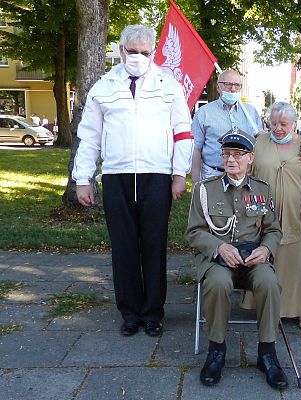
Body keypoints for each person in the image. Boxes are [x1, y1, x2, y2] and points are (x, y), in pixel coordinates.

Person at [73, 25, 193, 337]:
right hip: (116, 176)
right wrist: (83, 179)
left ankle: (153, 313)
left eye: (145, 52)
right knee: (123, 247)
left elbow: (183, 132)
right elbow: (89, 137)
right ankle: (129, 312)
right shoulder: (104, 87)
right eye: (133, 51)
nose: (138, 57)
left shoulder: (169, 86)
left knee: (154, 245)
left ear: (153, 53)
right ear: (122, 50)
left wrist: (179, 174)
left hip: (157, 176)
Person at [186, 131, 288, 390]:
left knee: (269, 282)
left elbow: (274, 230)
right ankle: (216, 350)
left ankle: (267, 352)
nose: (231, 160)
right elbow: (194, 231)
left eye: (238, 154)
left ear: (250, 158)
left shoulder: (262, 191)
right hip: (219, 260)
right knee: (217, 284)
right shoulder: (204, 190)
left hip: (253, 258)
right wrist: (219, 246)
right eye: (226, 154)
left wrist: (265, 250)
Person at [251, 101, 301, 331]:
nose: (277, 128)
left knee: (295, 266)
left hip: (295, 215)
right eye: (273, 123)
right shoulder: (259, 142)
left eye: (283, 124)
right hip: (262, 216)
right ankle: (269, 310)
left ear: (294, 124)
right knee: (266, 264)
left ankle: (300, 311)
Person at [191, 70, 263, 183]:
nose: (233, 89)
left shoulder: (251, 112)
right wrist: (195, 182)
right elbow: (196, 149)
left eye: (237, 85)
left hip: (244, 177)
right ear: (218, 87)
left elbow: (260, 144)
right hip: (213, 176)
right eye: (228, 84)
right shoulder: (204, 113)